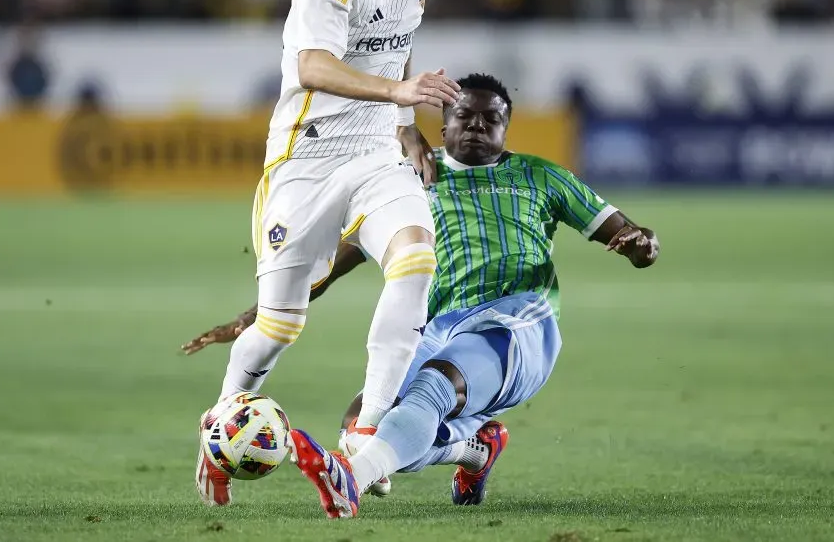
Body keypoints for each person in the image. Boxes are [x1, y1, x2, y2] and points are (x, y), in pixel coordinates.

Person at [184, 74, 660, 518]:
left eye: (490, 119)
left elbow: (634, 240)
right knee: (361, 429)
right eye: (464, 116)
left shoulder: (541, 177)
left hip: (517, 322)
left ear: (506, 129)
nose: (476, 125)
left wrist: (642, 244)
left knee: (427, 394)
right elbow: (337, 261)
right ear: (444, 122)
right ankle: (473, 449)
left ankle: (348, 482)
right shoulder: (409, 183)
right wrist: (257, 315)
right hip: (438, 330)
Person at [195, 0, 460, 507]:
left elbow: (398, 46)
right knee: (280, 325)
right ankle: (220, 423)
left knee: (416, 258)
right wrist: (400, 89)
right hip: (305, 163)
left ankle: (365, 435)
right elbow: (313, 66)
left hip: (375, 155)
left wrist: (403, 123)